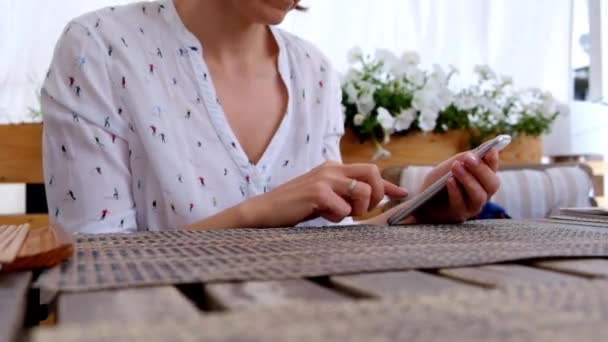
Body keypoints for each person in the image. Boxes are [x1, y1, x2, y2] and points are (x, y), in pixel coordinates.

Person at [42, 0, 500, 234]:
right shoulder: (99, 48)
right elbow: (93, 260)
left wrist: (417, 212)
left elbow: (324, 245)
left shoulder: (314, 72)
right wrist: (257, 213)